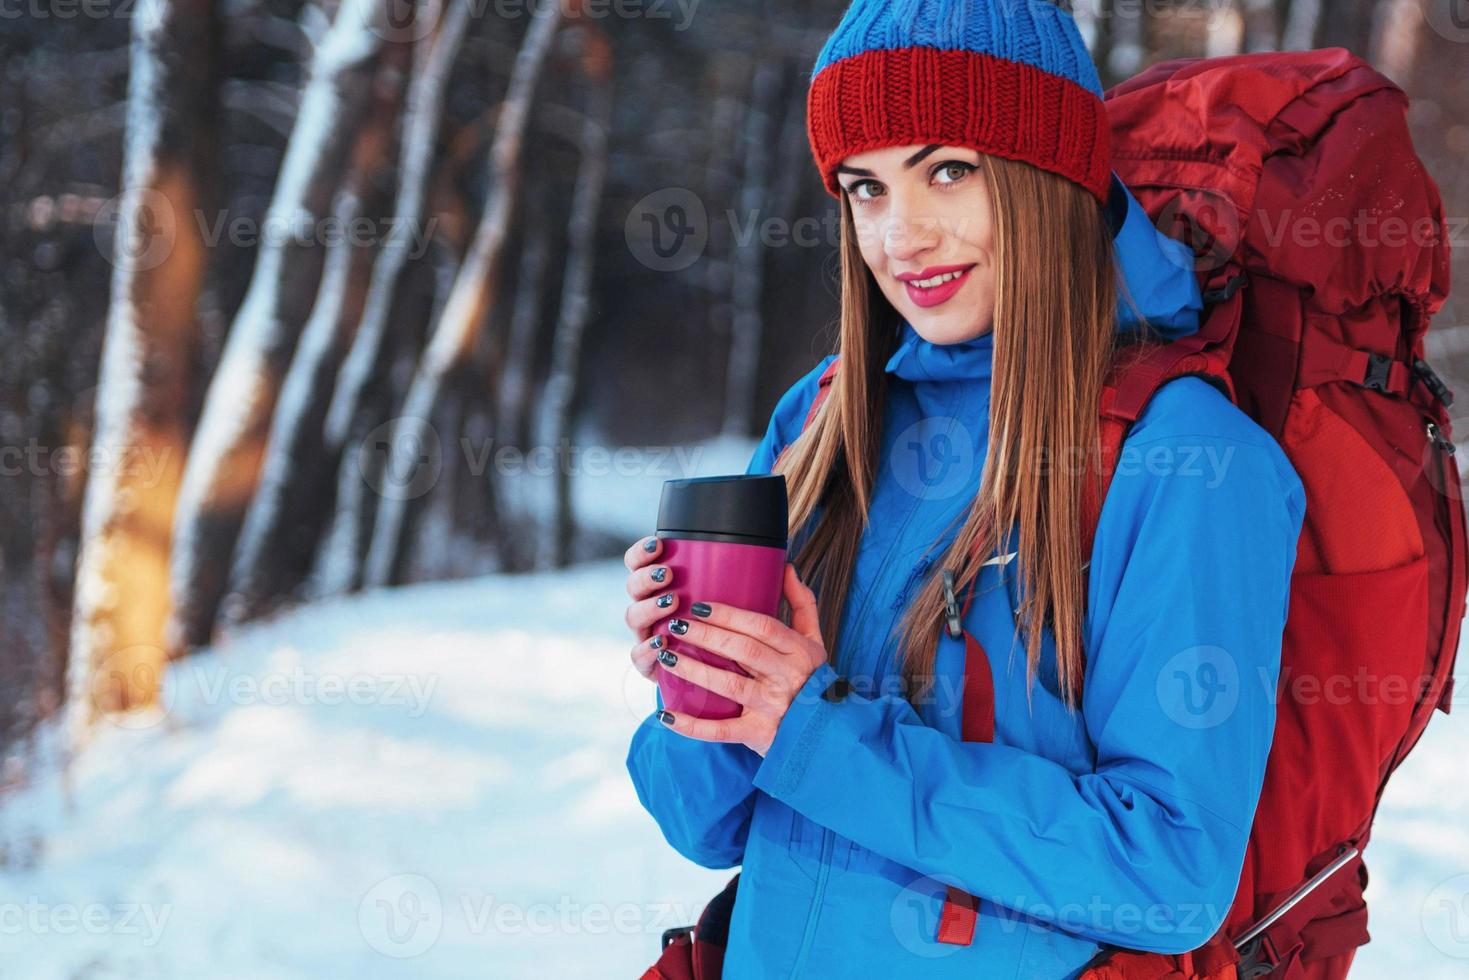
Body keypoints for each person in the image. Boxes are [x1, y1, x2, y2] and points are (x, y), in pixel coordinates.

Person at [624, 1, 1306, 976]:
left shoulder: (1184, 460)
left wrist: (815, 729)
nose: (899, 235)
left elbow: (1165, 871)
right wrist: (706, 687)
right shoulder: (820, 420)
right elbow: (702, 824)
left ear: (1046, 176)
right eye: (863, 188)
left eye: (946, 170)